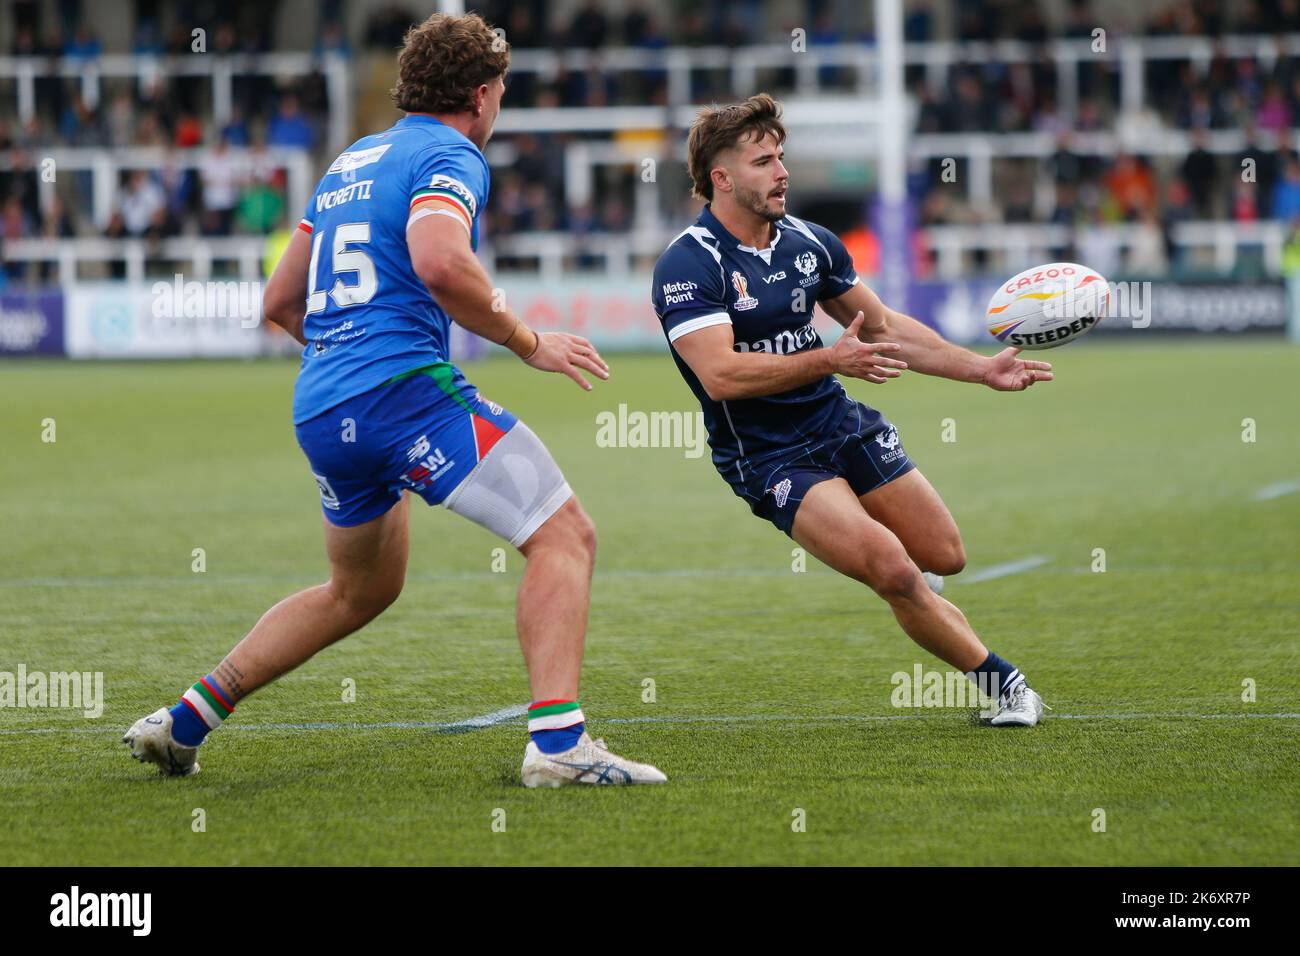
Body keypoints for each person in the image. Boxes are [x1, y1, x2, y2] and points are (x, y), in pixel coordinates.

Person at [123, 13, 666, 788]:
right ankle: (557, 747)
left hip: (322, 407)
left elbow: (280, 300)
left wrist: (346, 356)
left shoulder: (351, 160)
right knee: (564, 536)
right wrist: (527, 341)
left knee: (360, 589)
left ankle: (183, 723)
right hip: (403, 395)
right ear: (480, 94)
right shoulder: (451, 151)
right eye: (502, 89)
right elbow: (441, 262)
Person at [650, 94, 1053, 725]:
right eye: (763, 162)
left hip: (839, 422)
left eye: (781, 157)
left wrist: (983, 368)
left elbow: (886, 326)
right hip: (768, 455)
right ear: (721, 179)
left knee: (944, 556)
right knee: (893, 570)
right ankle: (1004, 685)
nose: (782, 171)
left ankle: (922, 589)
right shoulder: (689, 263)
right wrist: (828, 360)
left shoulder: (810, 243)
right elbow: (721, 375)